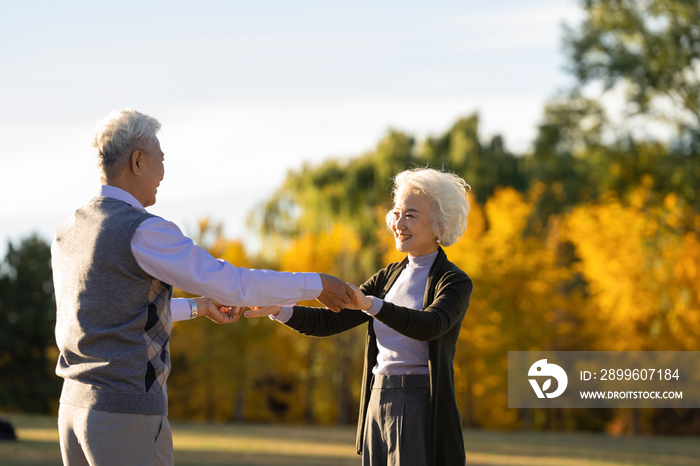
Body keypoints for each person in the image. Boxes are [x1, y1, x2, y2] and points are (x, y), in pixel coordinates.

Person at [51, 108, 358, 466]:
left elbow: (114, 314)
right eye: (159, 160)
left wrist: (198, 307)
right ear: (137, 161)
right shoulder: (143, 230)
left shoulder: (69, 230)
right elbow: (233, 285)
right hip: (125, 416)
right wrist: (315, 284)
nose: (162, 174)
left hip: (73, 409)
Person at [245, 167, 473, 465]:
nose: (398, 223)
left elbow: (430, 326)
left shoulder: (453, 281)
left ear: (440, 224)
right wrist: (278, 309)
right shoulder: (388, 277)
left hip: (419, 403)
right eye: (396, 212)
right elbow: (331, 321)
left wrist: (371, 305)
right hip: (377, 397)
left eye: (411, 215)